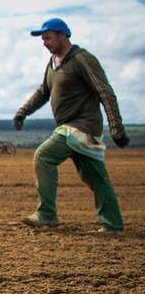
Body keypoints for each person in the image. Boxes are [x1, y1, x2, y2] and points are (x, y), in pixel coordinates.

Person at [13, 18, 129, 233]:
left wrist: (116, 127)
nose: (44, 43)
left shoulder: (82, 60)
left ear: (62, 35)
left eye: (47, 37)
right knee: (95, 177)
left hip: (81, 127)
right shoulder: (53, 63)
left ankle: (47, 214)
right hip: (70, 129)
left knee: (44, 156)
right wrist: (23, 111)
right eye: (42, 39)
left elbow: (105, 92)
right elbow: (43, 92)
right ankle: (112, 224)